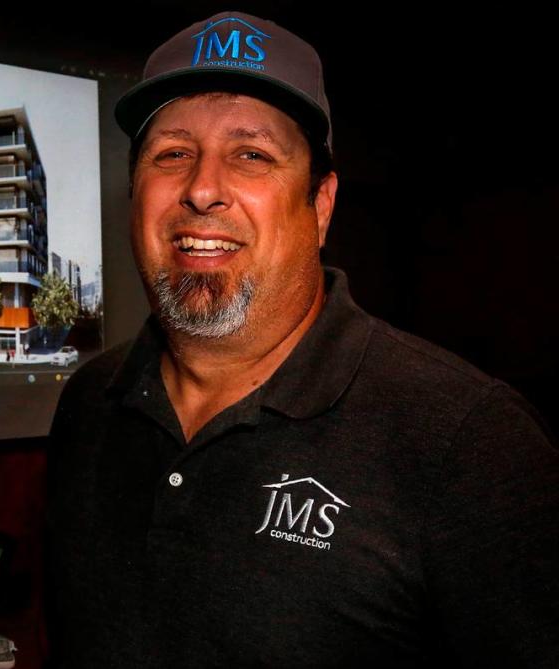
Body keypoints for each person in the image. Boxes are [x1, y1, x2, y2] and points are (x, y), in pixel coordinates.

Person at [45, 10, 559, 668]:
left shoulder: (469, 445)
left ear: (320, 205)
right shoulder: (89, 402)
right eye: (171, 154)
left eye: (251, 155)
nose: (202, 189)